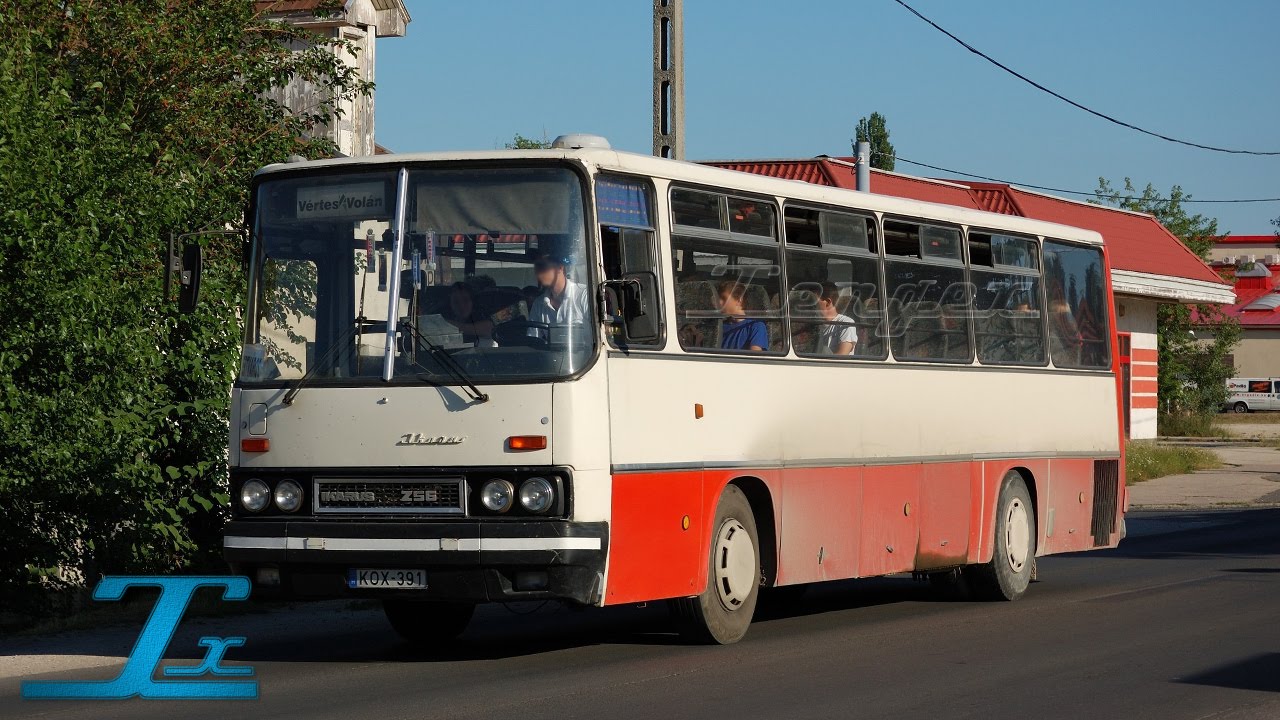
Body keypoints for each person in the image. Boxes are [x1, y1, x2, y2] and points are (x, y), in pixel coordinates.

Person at [527, 249, 589, 339]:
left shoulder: (584, 295)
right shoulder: (538, 304)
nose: (538, 273)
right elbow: (533, 339)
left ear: (560, 267)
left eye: (543, 267)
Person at [717, 280, 767, 351]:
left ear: (739, 300)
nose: (719, 303)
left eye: (724, 299)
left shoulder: (756, 326)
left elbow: (755, 357)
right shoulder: (719, 326)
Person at [442, 282, 495, 347]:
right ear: (450, 304)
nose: (461, 305)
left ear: (473, 302)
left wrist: (443, 323)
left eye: (465, 300)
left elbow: (488, 328)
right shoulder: (448, 317)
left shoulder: (484, 319)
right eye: (456, 301)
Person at [815, 282, 856, 355]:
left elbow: (842, 356)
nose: (811, 305)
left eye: (814, 302)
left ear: (827, 302)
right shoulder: (814, 326)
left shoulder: (846, 323)